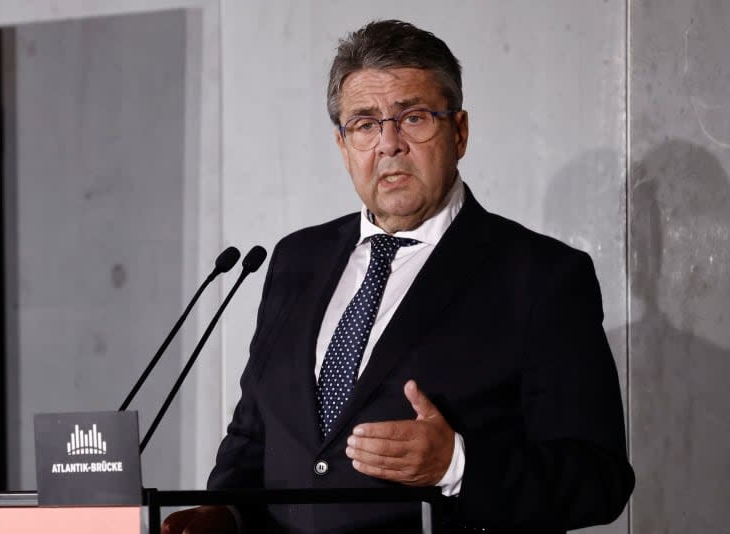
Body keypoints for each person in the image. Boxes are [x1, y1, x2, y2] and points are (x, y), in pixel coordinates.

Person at [162, 19, 634, 534]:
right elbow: (257, 433)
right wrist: (223, 513)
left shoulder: (539, 277)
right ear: (344, 146)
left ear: (459, 132)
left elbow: (599, 479)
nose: (389, 144)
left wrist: (457, 466)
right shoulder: (298, 259)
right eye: (365, 124)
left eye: (413, 117)